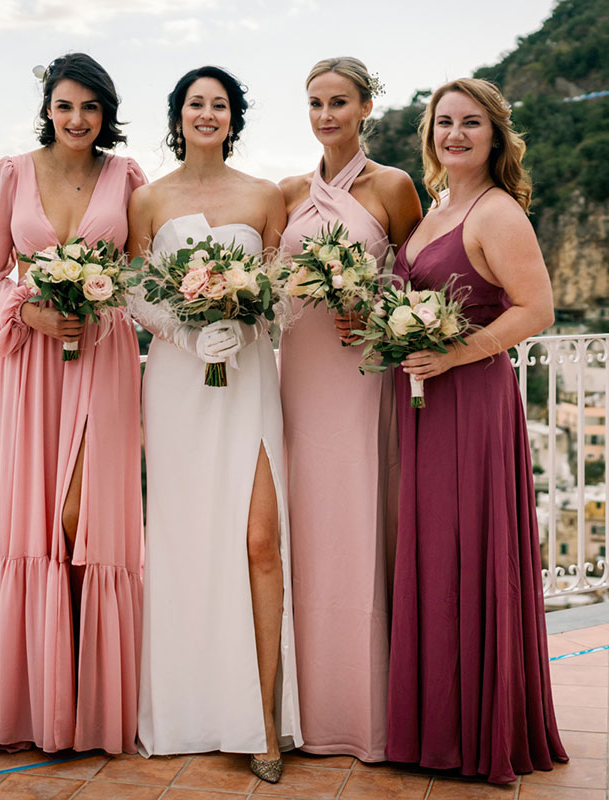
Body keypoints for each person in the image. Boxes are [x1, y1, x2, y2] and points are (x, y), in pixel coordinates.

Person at [0, 53, 147, 756]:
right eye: (65, 105)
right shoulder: (11, 174)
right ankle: (40, 705)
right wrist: (28, 314)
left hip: (106, 356)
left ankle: (93, 704)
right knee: (39, 528)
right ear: (47, 108)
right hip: (34, 368)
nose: (77, 119)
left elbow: (143, 270)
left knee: (85, 519)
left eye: (90, 107)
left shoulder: (127, 177)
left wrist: (110, 299)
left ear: (104, 112)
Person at [385, 77, 568, 783]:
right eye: (443, 122)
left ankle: (475, 732)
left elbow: (537, 308)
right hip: (425, 399)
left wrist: (456, 352)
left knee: (469, 550)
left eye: (469, 123)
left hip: (472, 401)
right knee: (434, 553)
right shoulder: (438, 207)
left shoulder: (495, 212)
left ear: (495, 136)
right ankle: (437, 727)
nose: (453, 134)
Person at [127, 65, 301, 783]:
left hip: (250, 375)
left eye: (219, 104)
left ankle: (263, 723)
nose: (208, 113)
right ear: (178, 115)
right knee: (185, 544)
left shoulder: (264, 196)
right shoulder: (148, 199)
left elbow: (285, 293)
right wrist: (186, 332)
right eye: (196, 103)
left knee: (262, 541)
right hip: (177, 383)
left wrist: (250, 318)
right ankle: (189, 712)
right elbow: (137, 293)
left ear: (234, 118)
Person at [276, 56, 420, 762]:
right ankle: (301, 708)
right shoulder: (285, 194)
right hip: (299, 375)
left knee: (361, 520)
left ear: (366, 107)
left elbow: (423, 283)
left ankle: (366, 710)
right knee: (303, 524)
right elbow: (271, 284)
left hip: (363, 374)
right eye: (315, 103)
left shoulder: (393, 186)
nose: (326, 115)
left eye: (339, 102)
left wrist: (374, 308)